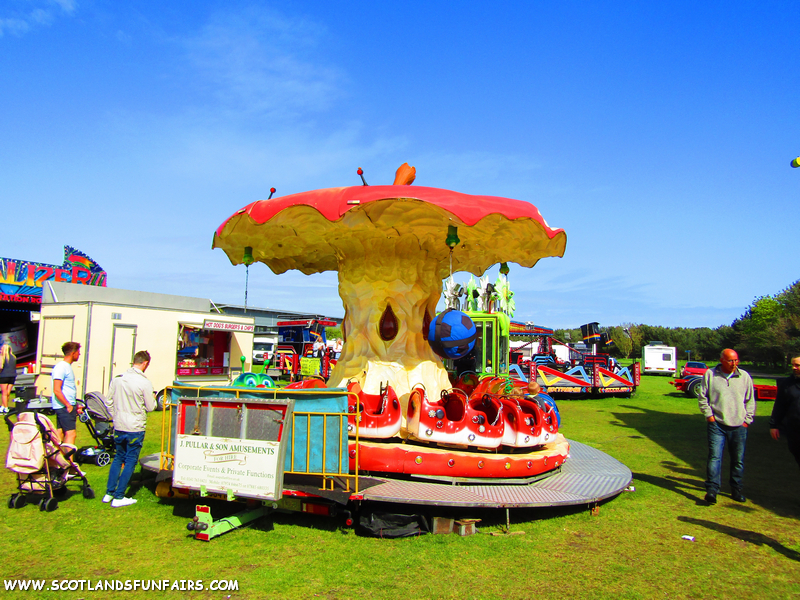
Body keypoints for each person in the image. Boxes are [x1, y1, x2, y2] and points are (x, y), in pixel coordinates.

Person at [698, 348, 755, 504]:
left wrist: (747, 420)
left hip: (739, 425)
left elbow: (750, 400)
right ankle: (712, 490)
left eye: (736, 360)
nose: (734, 363)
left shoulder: (744, 376)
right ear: (722, 360)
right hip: (717, 424)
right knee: (715, 457)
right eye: (730, 360)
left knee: (738, 460)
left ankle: (736, 490)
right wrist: (709, 416)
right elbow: (703, 397)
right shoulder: (710, 374)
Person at [104, 350, 156, 508]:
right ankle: (119, 496)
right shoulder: (144, 382)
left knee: (118, 458)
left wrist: (115, 416)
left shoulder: (117, 379)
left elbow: (108, 402)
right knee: (131, 460)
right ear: (145, 363)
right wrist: (153, 398)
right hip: (135, 426)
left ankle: (109, 493)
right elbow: (151, 407)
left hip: (119, 425)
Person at [769, 354, 800, 471]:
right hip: (794, 429)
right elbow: (779, 405)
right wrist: (774, 425)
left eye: (797, 365)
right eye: (792, 365)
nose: (794, 368)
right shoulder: (787, 384)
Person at [51, 341, 81, 445]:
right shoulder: (61, 367)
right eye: (78, 352)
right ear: (73, 353)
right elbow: (56, 389)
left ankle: (58, 454)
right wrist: (68, 405)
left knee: (60, 432)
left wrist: (75, 404)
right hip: (64, 406)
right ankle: (69, 455)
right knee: (71, 434)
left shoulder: (67, 367)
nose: (79, 355)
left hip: (67, 405)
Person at [0, 343, 17, 414]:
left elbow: (1, 367)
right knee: (8, 392)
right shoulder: (13, 357)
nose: (0, 350)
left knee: (4, 393)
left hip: (4, 376)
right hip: (12, 376)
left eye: (1, 349)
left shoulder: (2, 357)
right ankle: (3, 406)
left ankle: (6, 408)